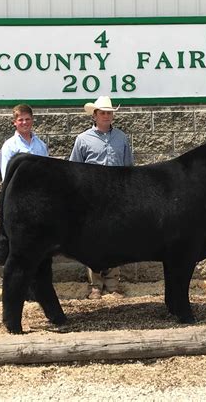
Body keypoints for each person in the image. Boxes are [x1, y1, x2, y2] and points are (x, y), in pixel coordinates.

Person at [70, 96, 133, 300]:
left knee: (116, 238)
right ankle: (95, 285)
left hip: (116, 197)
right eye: (102, 112)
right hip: (92, 198)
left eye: (109, 112)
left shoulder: (122, 138)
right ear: (95, 115)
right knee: (93, 240)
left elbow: (128, 168)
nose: (106, 116)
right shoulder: (83, 139)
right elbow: (74, 169)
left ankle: (113, 284)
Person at [0, 104, 48, 180]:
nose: (24, 122)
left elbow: (47, 173)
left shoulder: (41, 145)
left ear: (32, 120)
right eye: (20, 120)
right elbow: (6, 177)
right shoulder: (9, 146)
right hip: (17, 190)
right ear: (15, 122)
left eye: (27, 119)